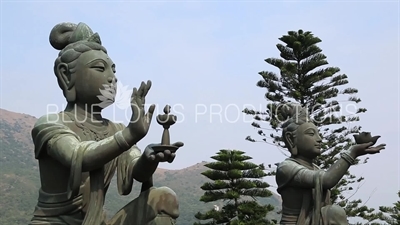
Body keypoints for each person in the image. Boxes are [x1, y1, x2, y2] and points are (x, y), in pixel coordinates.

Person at [30, 22, 183, 225]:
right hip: (56, 222)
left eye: (113, 70)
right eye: (100, 68)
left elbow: (136, 171)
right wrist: (130, 135)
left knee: (164, 198)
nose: (112, 78)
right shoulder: (51, 123)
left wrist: (149, 158)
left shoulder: (115, 129)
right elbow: (79, 156)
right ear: (66, 75)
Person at [275, 103, 385, 225]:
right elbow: (326, 180)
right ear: (290, 139)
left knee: (332, 212)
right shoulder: (286, 168)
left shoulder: (315, 168)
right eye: (311, 134)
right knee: (333, 212)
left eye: (318, 133)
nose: (319, 139)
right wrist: (352, 152)